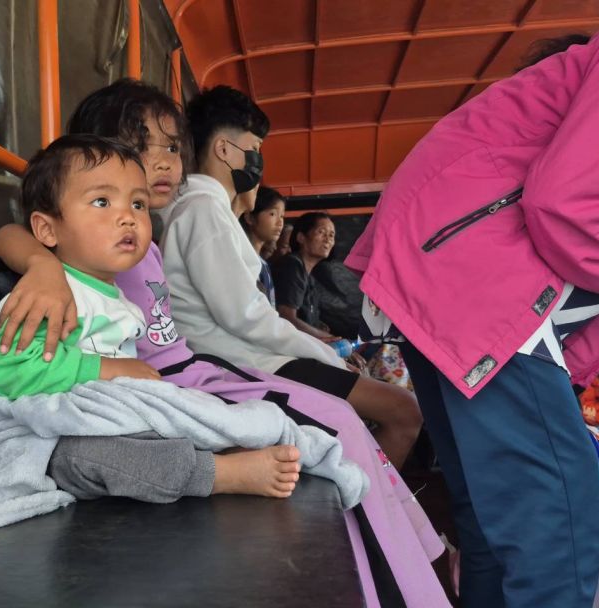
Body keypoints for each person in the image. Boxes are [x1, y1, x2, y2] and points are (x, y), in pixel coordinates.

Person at [0, 78, 450, 607]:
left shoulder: (134, 244)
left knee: (331, 425)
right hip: (167, 385)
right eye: (137, 148)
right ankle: (396, 568)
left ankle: (402, 562)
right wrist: (40, 264)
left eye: (171, 147)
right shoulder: (90, 258)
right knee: (330, 424)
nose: (161, 162)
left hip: (179, 377)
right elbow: (11, 238)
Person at [342, 2, 599, 606]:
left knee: (498, 525)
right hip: (483, 295)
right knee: (558, 529)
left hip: (452, 289)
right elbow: (569, 203)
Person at [0, 134, 303, 501]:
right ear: (47, 229)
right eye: (102, 201)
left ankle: (221, 448)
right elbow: (11, 372)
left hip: (103, 422)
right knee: (93, 455)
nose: (128, 217)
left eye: (138, 203)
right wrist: (106, 369)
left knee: (175, 426)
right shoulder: (51, 295)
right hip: (51, 440)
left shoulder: (117, 298)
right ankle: (219, 474)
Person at [157, 85, 422, 470]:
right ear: (224, 150)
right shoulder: (203, 210)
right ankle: (368, 501)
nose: (258, 160)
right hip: (242, 362)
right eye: (255, 147)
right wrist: (323, 354)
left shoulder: (205, 210)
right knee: (403, 411)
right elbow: (245, 316)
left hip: (250, 354)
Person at [273, 211, 340, 341]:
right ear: (301, 237)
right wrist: (329, 338)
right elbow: (286, 318)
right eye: (321, 232)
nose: (328, 239)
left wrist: (319, 327)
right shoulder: (292, 266)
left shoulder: (308, 276)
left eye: (331, 235)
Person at [241, 185, 286, 306]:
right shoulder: (242, 260)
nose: (280, 222)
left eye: (282, 216)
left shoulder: (263, 264)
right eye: (272, 214)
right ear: (250, 218)